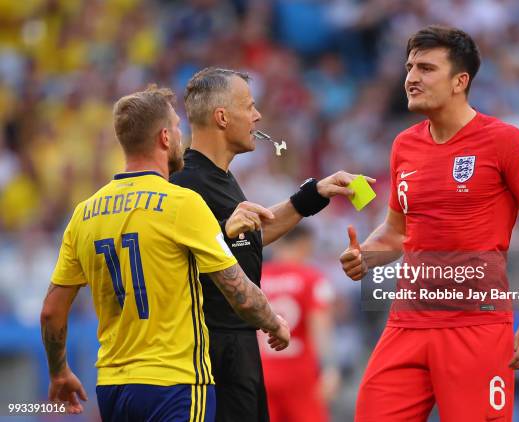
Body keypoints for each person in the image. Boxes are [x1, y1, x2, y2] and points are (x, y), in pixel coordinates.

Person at [339, 26, 519, 421]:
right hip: (406, 323)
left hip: (475, 326)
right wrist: (366, 255)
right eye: (410, 67)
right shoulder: (404, 145)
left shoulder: (506, 142)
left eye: (427, 68)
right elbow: (397, 232)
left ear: (460, 81)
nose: (412, 78)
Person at [40, 86, 289, 420]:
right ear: (164, 137)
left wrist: (59, 371)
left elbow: (51, 312)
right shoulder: (181, 204)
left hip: (113, 386)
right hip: (176, 384)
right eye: (176, 127)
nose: (181, 136)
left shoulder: (85, 213)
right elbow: (239, 293)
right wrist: (274, 323)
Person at [170, 67, 371, 422]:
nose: (257, 115)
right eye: (249, 106)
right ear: (221, 117)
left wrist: (314, 194)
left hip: (240, 350)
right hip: (207, 356)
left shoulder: (221, 179)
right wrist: (224, 230)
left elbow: (248, 234)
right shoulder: (185, 183)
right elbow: (177, 254)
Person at [258, 225, 340, 422]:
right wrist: (329, 368)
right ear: (304, 244)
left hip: (262, 374)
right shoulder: (311, 278)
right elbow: (320, 327)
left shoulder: (256, 279)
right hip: (300, 376)